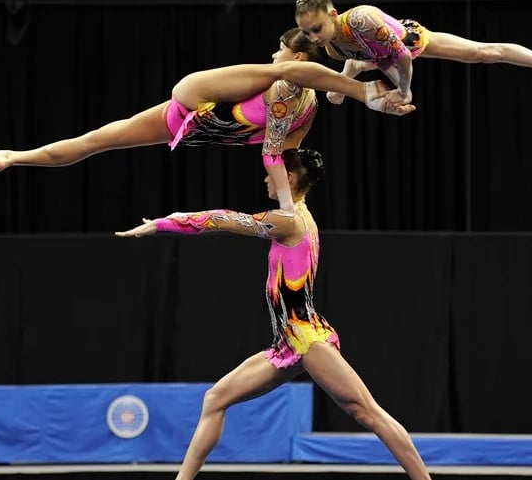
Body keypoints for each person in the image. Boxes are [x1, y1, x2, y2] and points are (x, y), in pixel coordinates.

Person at [115, 148, 433, 480]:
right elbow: (278, 151)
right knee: (216, 398)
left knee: (367, 413)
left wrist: (166, 223)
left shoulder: (289, 222)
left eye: (273, 174)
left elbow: (221, 219)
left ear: (290, 178)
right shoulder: (299, 214)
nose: (266, 178)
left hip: (307, 339)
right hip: (286, 344)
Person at [0, 28, 415, 211]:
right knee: (95, 140)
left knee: (95, 142)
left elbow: (283, 154)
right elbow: (277, 152)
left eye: (280, 46)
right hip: (195, 97)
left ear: (298, 51)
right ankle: (13, 157)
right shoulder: (289, 85)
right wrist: (357, 87)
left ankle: (10, 159)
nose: (274, 53)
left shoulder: (300, 98)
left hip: (196, 122)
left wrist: (293, 204)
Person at [291, 0, 532, 110]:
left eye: (317, 28)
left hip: (407, 42)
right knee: (342, 84)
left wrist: (404, 90)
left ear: (332, 14)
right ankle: (350, 74)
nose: (315, 38)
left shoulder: (361, 20)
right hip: (375, 53)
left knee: (486, 53)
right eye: (309, 33)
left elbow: (399, 57)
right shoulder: (332, 47)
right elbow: (373, 57)